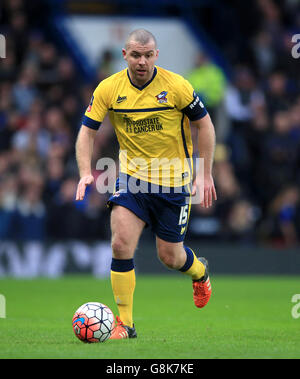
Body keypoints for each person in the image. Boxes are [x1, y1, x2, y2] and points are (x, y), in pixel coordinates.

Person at [75, 29, 217, 339]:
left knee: (171, 257)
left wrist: (203, 173)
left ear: (156, 55)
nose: (142, 61)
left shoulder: (176, 86)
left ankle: (200, 272)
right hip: (132, 180)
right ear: (124, 55)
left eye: (148, 55)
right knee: (120, 243)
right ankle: (125, 324)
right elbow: (87, 131)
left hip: (174, 184)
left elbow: (204, 125)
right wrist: (86, 171)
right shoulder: (109, 89)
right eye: (136, 55)